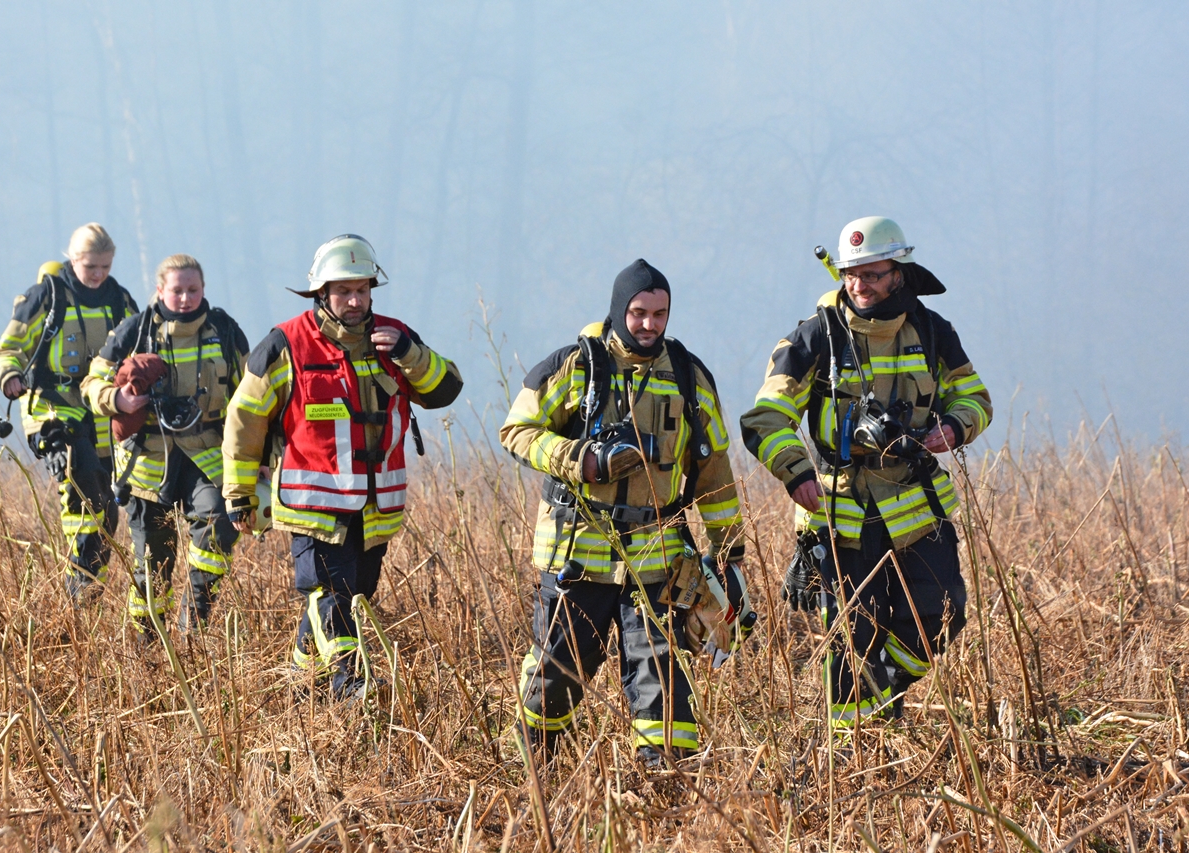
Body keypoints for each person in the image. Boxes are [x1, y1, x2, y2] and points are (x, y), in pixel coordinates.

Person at [739, 216, 993, 729]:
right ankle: (853, 753)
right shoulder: (815, 338)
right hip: (840, 512)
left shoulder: (932, 330)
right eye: (852, 274)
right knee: (852, 637)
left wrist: (955, 427)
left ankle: (883, 694)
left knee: (942, 615)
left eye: (873, 274)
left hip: (918, 502)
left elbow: (976, 398)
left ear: (899, 272)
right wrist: (796, 472)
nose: (860, 285)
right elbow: (766, 418)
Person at [500, 259, 747, 769]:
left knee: (662, 677)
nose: (649, 324)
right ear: (618, 310)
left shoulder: (688, 376)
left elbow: (714, 473)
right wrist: (583, 459)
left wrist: (729, 553)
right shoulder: (577, 366)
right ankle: (531, 776)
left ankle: (668, 783)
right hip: (578, 556)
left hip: (658, 559)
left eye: (660, 314)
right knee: (556, 675)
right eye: (638, 313)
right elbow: (517, 430)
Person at [220, 234, 462, 697]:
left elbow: (445, 390)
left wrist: (410, 354)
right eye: (343, 291)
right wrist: (240, 491)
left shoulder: (395, 337)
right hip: (313, 507)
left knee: (353, 598)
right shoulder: (285, 344)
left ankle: (299, 680)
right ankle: (352, 684)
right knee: (330, 596)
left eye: (363, 290)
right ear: (321, 293)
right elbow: (243, 420)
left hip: (376, 509)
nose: (355, 300)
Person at [80, 254, 249, 639]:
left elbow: (253, 396)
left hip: (207, 453)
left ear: (204, 289)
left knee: (218, 525)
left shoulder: (225, 330)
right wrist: (118, 400)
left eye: (193, 290)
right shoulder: (133, 331)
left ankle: (195, 622)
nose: (186, 298)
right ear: (160, 290)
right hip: (147, 461)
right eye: (177, 290)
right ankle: (146, 644)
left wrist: (263, 457)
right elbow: (91, 385)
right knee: (152, 562)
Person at [0, 223, 139, 603]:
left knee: (106, 509)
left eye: (105, 267)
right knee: (82, 487)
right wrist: (9, 375)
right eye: (91, 266)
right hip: (53, 410)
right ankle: (80, 589)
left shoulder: (119, 300)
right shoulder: (45, 297)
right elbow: (9, 348)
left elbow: (140, 347)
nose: (98, 275)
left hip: (102, 413)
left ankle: (85, 591)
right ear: (73, 259)